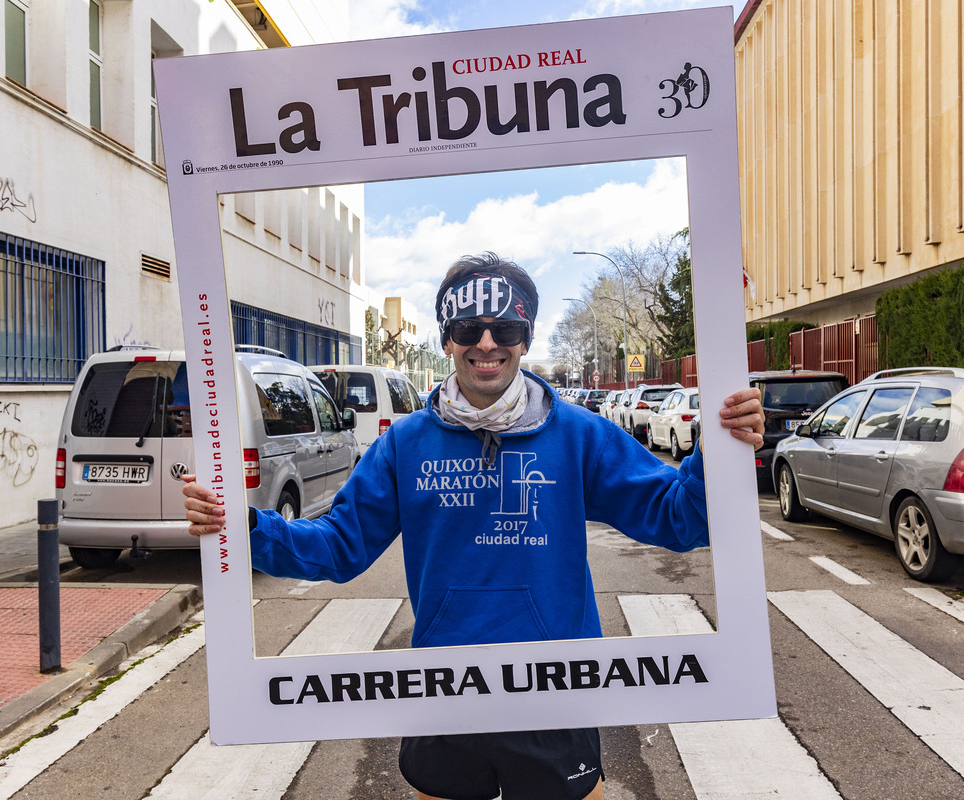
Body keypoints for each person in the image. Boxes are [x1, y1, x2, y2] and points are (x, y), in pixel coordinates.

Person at [184, 252, 764, 800]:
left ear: (525, 339)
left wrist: (720, 453)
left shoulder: (579, 435)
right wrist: (244, 528)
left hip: (556, 690)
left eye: (505, 330)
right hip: (445, 689)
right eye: (468, 328)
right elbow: (337, 548)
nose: (487, 343)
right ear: (447, 340)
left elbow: (678, 517)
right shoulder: (404, 445)